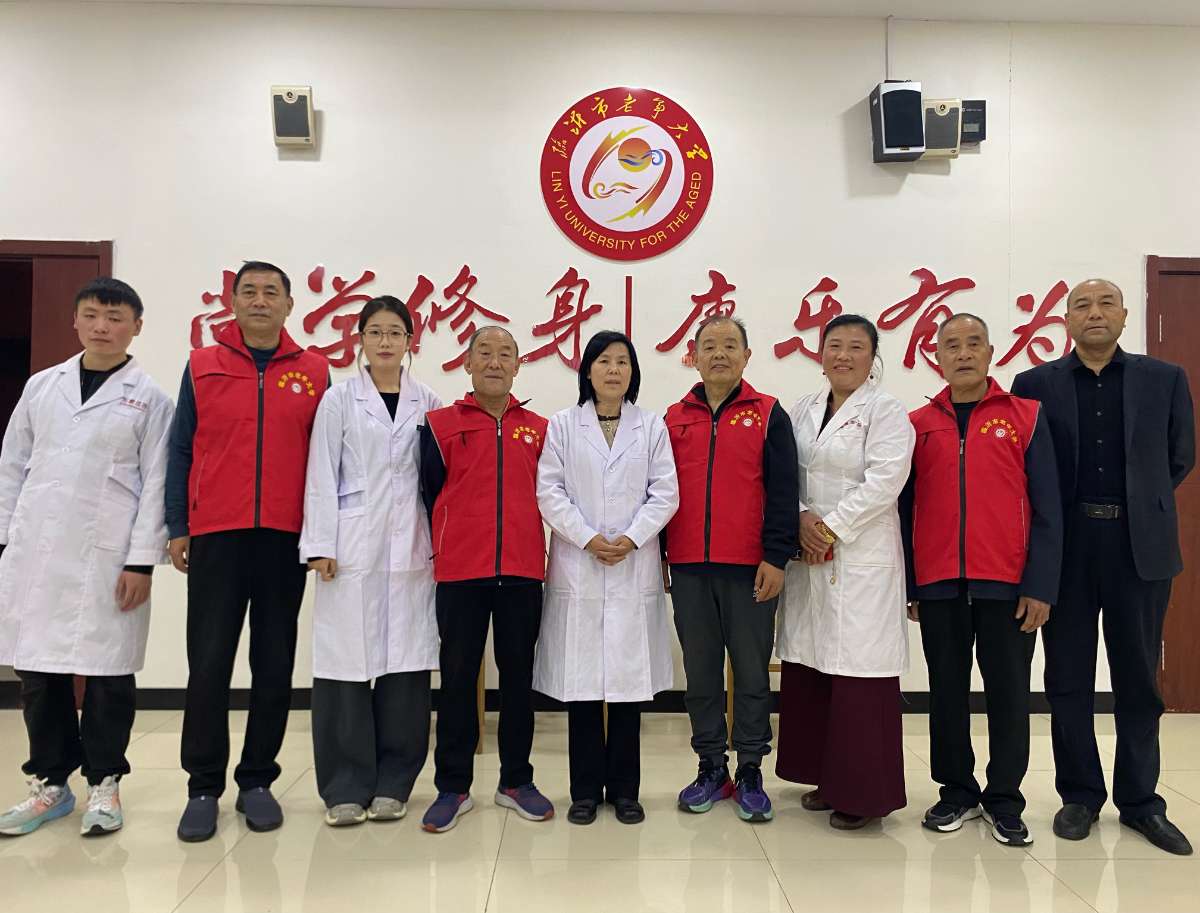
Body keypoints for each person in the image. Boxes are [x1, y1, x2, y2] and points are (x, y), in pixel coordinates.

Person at [1012, 279, 1195, 856]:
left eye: (1105, 303)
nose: (1094, 313)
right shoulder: (1034, 385)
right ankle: (1080, 795)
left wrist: (1138, 504)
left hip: (1139, 546)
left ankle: (1141, 801)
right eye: (1082, 305)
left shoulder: (1163, 378)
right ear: (1066, 320)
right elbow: (1026, 468)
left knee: (1138, 677)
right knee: (1067, 676)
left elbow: (1180, 455)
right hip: (1065, 547)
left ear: (1123, 316)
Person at [0, 277, 172, 837]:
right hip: (37, 550)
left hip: (110, 555)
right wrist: (6, 538)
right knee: (37, 671)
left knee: (109, 675)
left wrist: (141, 561)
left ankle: (104, 782)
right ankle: (51, 784)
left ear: (136, 327)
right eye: (92, 315)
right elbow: (12, 464)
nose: (102, 326)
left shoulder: (151, 399)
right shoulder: (42, 387)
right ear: (75, 320)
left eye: (115, 317)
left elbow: (157, 484)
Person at [166, 261, 331, 842]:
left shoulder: (315, 371)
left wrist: (322, 535)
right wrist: (178, 523)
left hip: (285, 536)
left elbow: (327, 458)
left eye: (271, 292)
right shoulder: (203, 365)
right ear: (232, 302)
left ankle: (258, 779)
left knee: (274, 663)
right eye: (250, 292)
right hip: (217, 531)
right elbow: (181, 448)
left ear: (289, 305)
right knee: (209, 663)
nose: (260, 301)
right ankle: (202, 786)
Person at [901, 313, 1061, 847]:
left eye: (974, 343)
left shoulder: (1025, 416)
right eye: (952, 345)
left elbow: (1048, 507)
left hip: (1008, 584)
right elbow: (904, 510)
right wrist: (912, 585)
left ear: (991, 353)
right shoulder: (918, 424)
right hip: (939, 581)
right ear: (937, 356)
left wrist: (1040, 585)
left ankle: (1005, 799)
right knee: (946, 691)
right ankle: (956, 792)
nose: (964, 353)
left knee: (1009, 693)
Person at [300, 296, 441, 827]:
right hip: (350, 544)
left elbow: (437, 480)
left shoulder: (429, 401)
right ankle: (344, 786)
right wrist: (320, 544)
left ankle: (394, 783)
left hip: (411, 547)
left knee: (406, 663)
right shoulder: (338, 400)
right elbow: (320, 472)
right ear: (360, 339)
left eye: (395, 332)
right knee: (345, 663)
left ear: (410, 341)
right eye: (375, 332)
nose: (385, 341)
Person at [534, 331, 679, 826]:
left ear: (633, 372)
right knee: (582, 687)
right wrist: (587, 537)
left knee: (626, 687)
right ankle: (582, 792)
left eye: (622, 362)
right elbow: (549, 491)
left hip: (631, 563)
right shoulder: (562, 425)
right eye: (603, 361)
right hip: (580, 562)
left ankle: (625, 791)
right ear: (588, 371)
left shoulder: (651, 426)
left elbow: (665, 492)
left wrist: (633, 538)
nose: (613, 370)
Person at [775, 314, 913, 829]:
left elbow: (885, 481)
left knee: (859, 674)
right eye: (835, 345)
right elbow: (783, 473)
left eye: (856, 347)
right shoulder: (802, 409)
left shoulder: (887, 410)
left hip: (860, 557)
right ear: (821, 354)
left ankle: (863, 794)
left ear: (873, 356)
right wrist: (801, 519)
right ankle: (826, 779)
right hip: (809, 553)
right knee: (815, 665)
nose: (844, 356)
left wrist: (830, 528)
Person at [664, 315, 800, 823]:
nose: (718, 354)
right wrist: (662, 555)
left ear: (747, 356)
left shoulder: (769, 414)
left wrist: (776, 556)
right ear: (694, 356)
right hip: (689, 567)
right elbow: (660, 493)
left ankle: (749, 769)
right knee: (700, 673)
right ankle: (709, 766)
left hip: (751, 569)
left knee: (750, 671)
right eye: (708, 346)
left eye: (729, 345)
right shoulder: (674, 418)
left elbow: (785, 491)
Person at [417, 326, 553, 833]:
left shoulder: (539, 429)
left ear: (518, 366)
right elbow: (429, 493)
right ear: (468, 363)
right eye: (485, 353)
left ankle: (516, 781)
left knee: (519, 680)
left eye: (505, 354)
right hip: (460, 571)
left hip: (522, 569)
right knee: (457, 681)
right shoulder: (440, 426)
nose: (495, 362)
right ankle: (452, 787)